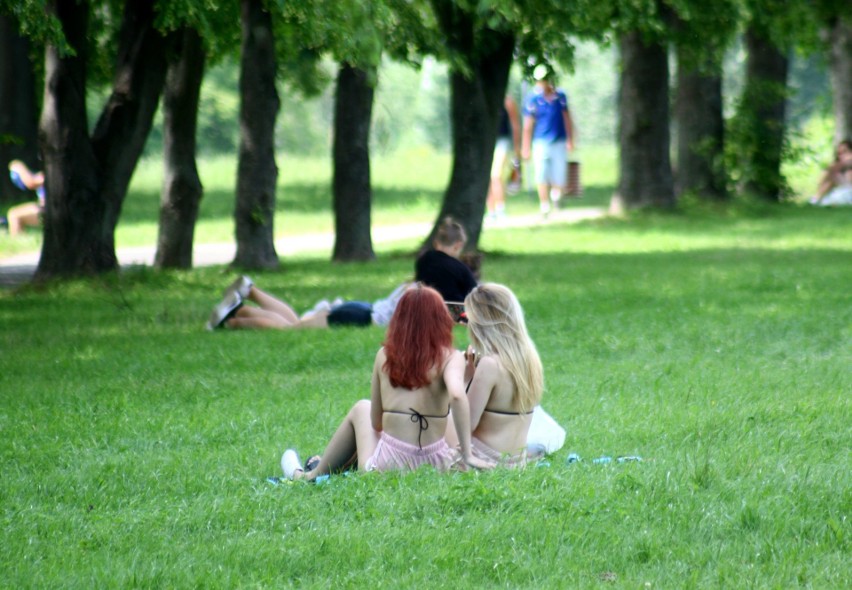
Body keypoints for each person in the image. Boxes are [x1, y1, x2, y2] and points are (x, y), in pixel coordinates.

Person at [280, 284, 491, 480]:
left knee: (362, 407)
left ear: (399, 321)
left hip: (387, 465)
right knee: (444, 419)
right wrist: (467, 453)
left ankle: (311, 474)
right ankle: (333, 464)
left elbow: (376, 423)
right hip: (435, 463)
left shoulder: (384, 355)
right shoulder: (451, 357)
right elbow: (456, 396)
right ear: (440, 320)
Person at [444, 283, 545, 468]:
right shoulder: (531, 358)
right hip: (516, 460)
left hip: (484, 457)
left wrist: (465, 379)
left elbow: (467, 425)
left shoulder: (490, 365)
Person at [205, 275, 410, 331]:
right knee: (291, 329)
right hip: (360, 318)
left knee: (296, 323)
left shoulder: (417, 283)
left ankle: (248, 296)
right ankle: (233, 319)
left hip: (363, 309)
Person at [521, 65, 575, 218]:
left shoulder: (560, 97)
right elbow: (528, 125)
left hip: (559, 140)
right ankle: (544, 204)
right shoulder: (533, 99)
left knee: (559, 173)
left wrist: (571, 139)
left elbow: (567, 118)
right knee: (541, 174)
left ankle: (556, 196)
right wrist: (526, 147)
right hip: (540, 141)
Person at [415, 217, 478, 303]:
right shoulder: (460, 268)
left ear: (436, 243)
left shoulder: (423, 260)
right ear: (458, 245)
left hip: (427, 308)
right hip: (455, 312)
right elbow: (475, 294)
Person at [486, 95, 522, 220]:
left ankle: (500, 209)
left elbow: (515, 125)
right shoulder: (483, 100)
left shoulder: (507, 101)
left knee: (496, 175)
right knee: (487, 177)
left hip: (502, 141)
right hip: (486, 142)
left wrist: (517, 147)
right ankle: (491, 211)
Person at [6, 160, 46, 236]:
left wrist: (19, 168)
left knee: (14, 215)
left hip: (54, 211)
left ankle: (17, 246)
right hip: (52, 210)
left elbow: (31, 182)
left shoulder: (55, 170)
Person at [810, 139, 852, 206]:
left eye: (845, 151)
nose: (842, 156)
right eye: (840, 153)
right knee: (830, 179)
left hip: (848, 192)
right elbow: (820, 182)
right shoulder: (839, 167)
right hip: (842, 190)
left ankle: (815, 200)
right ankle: (815, 199)